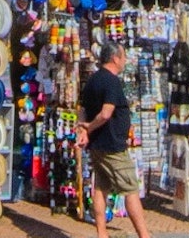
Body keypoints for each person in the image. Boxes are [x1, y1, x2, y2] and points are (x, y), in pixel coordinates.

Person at [77, 42, 150, 238]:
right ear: (115, 58)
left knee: (101, 187)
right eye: (123, 57)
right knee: (130, 189)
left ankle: (102, 233)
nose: (125, 60)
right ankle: (144, 235)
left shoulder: (93, 80)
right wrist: (89, 128)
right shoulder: (111, 81)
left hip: (98, 145)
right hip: (112, 146)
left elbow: (82, 110)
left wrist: (84, 131)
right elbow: (106, 113)